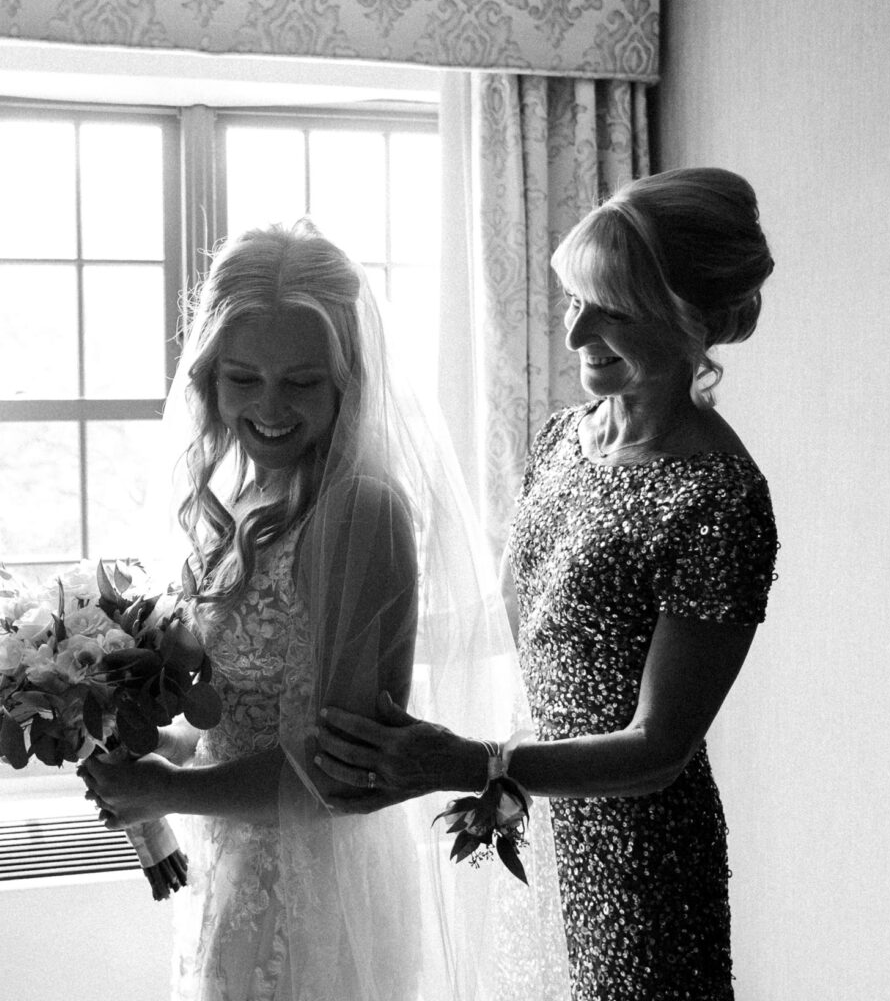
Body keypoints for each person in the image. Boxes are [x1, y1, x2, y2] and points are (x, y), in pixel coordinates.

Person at [314, 167, 780, 1000]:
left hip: (641, 865)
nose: (576, 336)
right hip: (539, 821)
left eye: (614, 309)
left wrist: (469, 762)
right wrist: (332, 642)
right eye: (573, 302)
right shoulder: (564, 439)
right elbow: (510, 617)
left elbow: (657, 751)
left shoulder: (721, 498)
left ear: (692, 320)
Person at [80, 220, 569, 1001]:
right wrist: (162, 749)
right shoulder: (244, 497)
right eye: (243, 378)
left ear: (349, 379)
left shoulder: (356, 512)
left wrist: (166, 792)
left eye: (302, 382)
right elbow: (249, 716)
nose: (269, 408)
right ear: (209, 375)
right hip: (238, 874)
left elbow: (338, 777)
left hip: (315, 899)